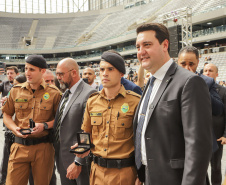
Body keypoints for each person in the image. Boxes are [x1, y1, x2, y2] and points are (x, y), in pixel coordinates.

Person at [134, 23, 212, 185]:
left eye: (147, 45)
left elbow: (198, 146)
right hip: (149, 177)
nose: (141, 52)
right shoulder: (151, 82)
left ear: (165, 45)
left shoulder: (189, 82)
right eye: (138, 47)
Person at [72, 51, 141, 185]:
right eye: (102, 69)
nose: (104, 73)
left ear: (121, 73)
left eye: (110, 69)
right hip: (97, 172)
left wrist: (141, 173)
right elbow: (86, 132)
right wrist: (83, 146)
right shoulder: (92, 101)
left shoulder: (135, 101)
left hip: (124, 173)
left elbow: (141, 140)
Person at [1, 55, 61, 185]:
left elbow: (60, 120)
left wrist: (44, 125)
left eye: (32, 69)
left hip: (43, 148)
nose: (27, 73)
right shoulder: (16, 91)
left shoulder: (54, 93)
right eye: (26, 68)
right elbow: (6, 115)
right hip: (19, 146)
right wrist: (13, 128)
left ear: (42, 71)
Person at [53, 58, 96, 185]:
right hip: (62, 157)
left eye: (61, 74)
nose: (58, 77)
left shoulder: (89, 93)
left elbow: (86, 130)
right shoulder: (66, 92)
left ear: (74, 73)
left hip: (78, 161)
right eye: (57, 74)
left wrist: (78, 161)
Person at [177, 46, 224, 117]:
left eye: (191, 64)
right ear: (178, 62)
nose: (187, 68)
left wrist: (199, 86)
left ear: (197, 62)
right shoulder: (169, 80)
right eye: (183, 64)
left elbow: (218, 110)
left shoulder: (207, 81)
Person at [203, 63, 226, 185]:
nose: (207, 73)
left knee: (216, 167)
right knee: (201, 168)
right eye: (205, 70)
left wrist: (225, 135)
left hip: (217, 136)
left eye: (210, 70)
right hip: (202, 135)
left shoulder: (223, 91)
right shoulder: (198, 89)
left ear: (216, 74)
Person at [0, 66, 19, 185]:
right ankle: (3, 179)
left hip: (21, 122)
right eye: (8, 73)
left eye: (11, 73)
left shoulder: (24, 84)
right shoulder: (5, 83)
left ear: (17, 74)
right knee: (6, 150)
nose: (9, 75)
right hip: (8, 120)